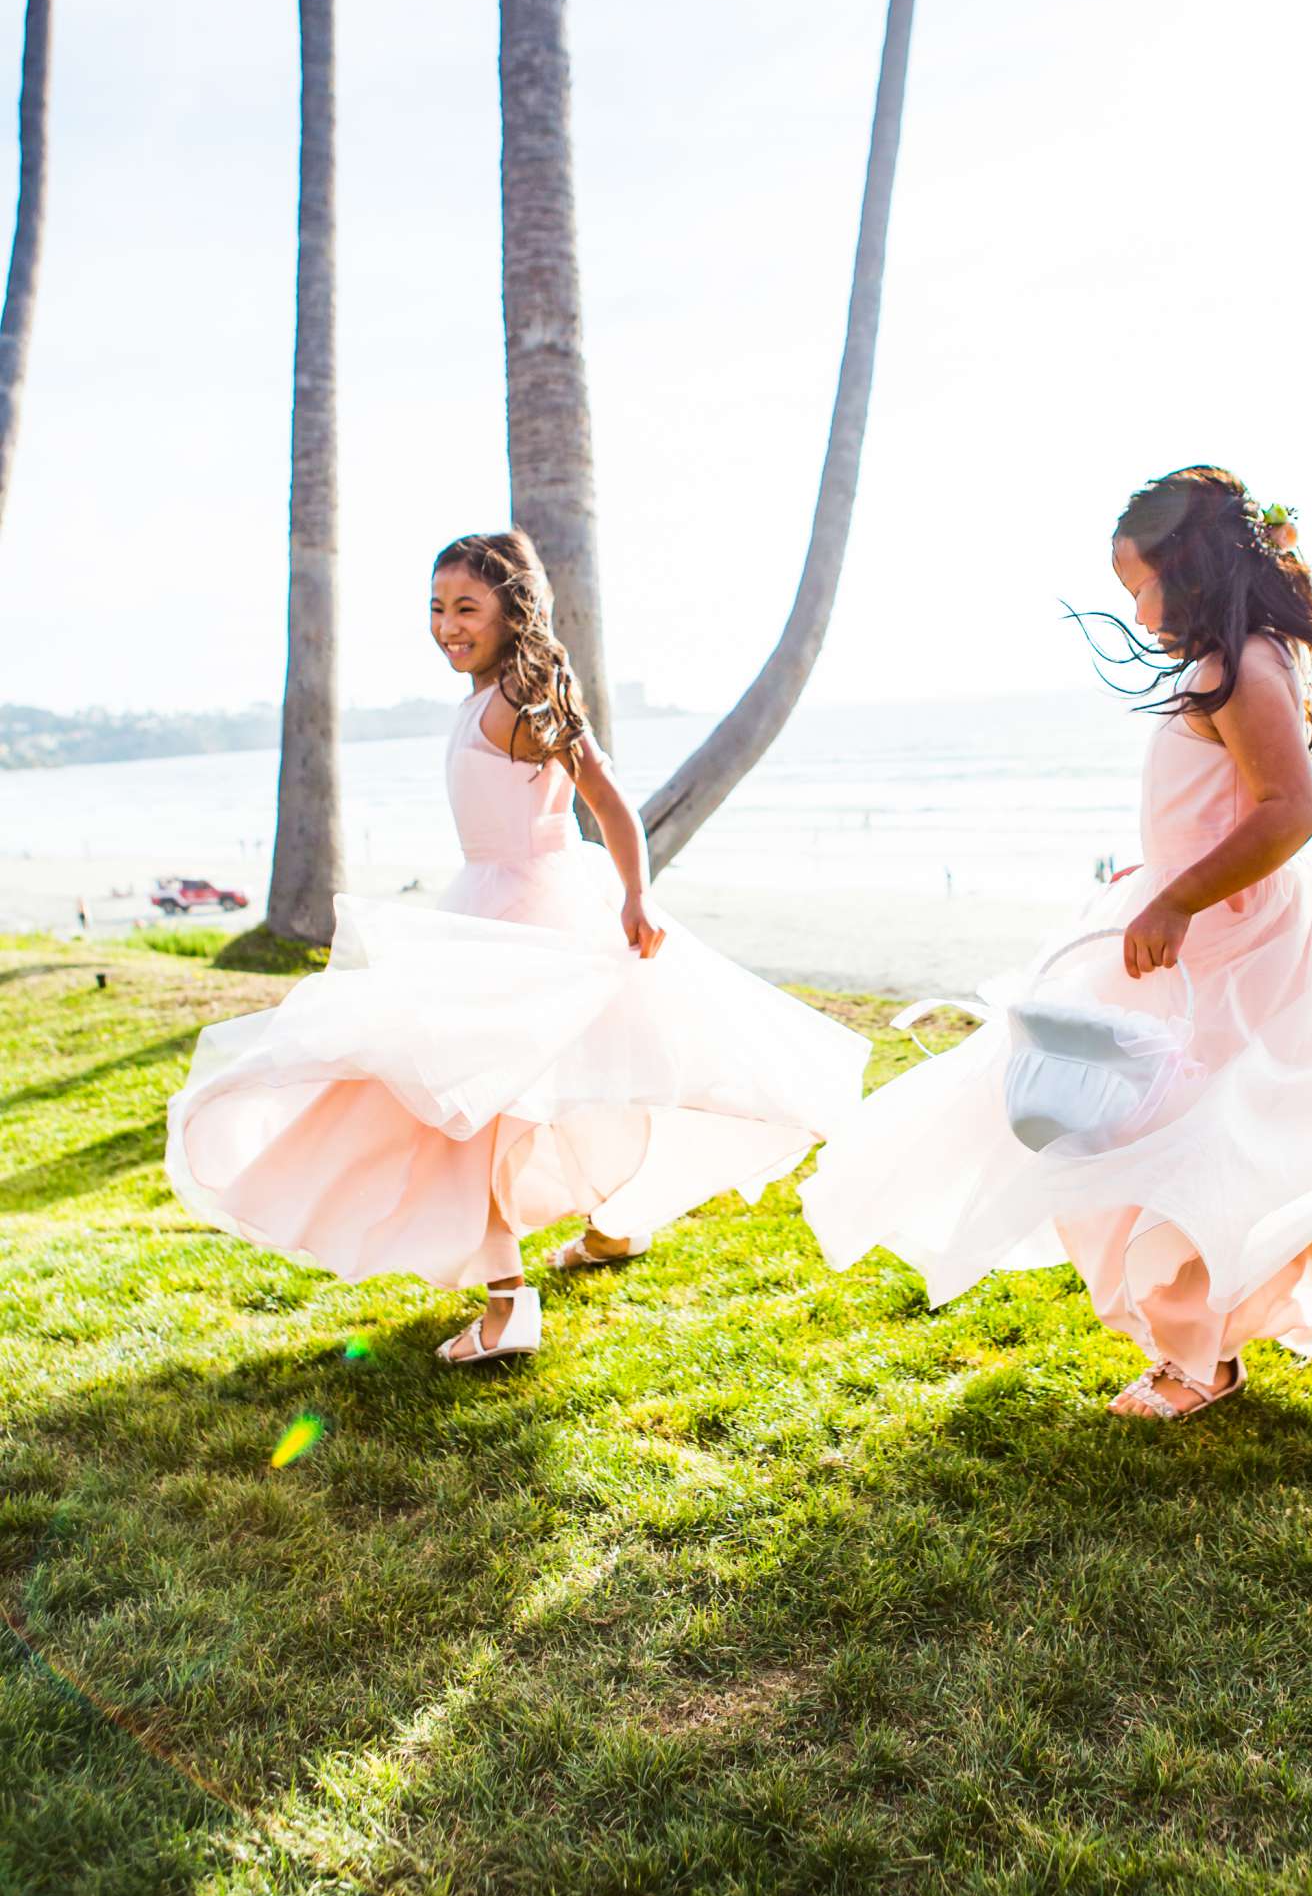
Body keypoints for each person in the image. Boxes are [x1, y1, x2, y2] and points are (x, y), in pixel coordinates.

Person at [803, 466, 1312, 1418]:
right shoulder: (1247, 653)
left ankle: (1198, 1359)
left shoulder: (1240, 666)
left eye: (1139, 585)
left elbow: (1287, 810)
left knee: (1188, 1145)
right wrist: (1155, 877)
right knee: (1282, 1138)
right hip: (1224, 926)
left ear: (1193, 568)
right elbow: (1218, 806)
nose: (1136, 611)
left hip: (1239, 946)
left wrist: (1180, 897)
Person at [168, 530, 868, 1365]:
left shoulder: (516, 705)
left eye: (467, 607)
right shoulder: (489, 695)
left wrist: (638, 893)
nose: (446, 625)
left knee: (478, 1113)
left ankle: (512, 1308)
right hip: (493, 906)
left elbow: (606, 800)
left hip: (525, 911)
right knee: (552, 1086)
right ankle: (610, 1232)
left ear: (512, 611)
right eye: (436, 608)